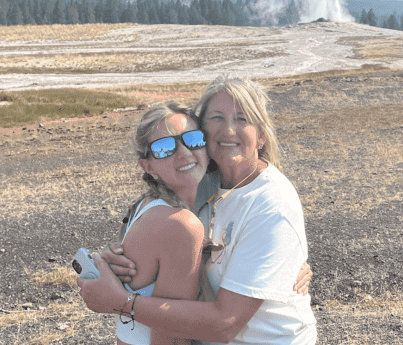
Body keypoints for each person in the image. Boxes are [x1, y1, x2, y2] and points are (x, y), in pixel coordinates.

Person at [79, 75, 317, 344]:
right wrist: (121, 251)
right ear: (204, 131)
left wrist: (121, 302)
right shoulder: (204, 181)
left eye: (242, 119)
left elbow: (224, 324)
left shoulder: (271, 204)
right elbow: (158, 220)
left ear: (261, 135)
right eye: (216, 118)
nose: (228, 130)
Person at [106, 102, 209, 345]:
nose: (184, 152)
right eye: (164, 147)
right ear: (148, 166)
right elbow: (171, 335)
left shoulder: (147, 205)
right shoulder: (179, 225)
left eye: (193, 138)